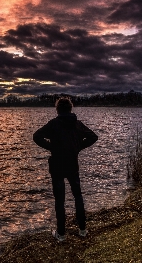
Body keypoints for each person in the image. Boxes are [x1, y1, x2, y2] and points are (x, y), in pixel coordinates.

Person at [33, 97, 98, 242]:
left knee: (59, 200)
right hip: (72, 164)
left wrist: (52, 147)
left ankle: (61, 234)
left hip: (57, 165)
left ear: (58, 109)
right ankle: (82, 230)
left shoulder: (54, 124)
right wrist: (76, 147)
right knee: (78, 196)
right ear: (70, 108)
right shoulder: (76, 124)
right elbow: (93, 137)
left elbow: (37, 136)